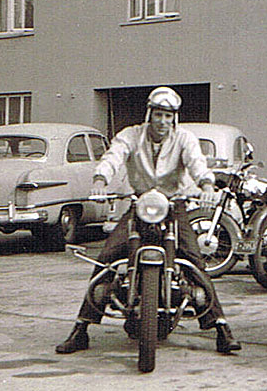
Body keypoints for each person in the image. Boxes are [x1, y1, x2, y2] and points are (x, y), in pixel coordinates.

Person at [56, 86, 241, 355]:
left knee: (194, 259)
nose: (163, 121)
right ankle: (81, 328)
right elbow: (113, 156)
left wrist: (207, 185)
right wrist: (100, 180)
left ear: (174, 118)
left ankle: (221, 328)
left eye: (168, 116)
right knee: (106, 257)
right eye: (158, 115)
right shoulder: (131, 135)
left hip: (173, 205)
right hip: (140, 204)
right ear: (149, 114)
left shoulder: (184, 139)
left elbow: (197, 163)